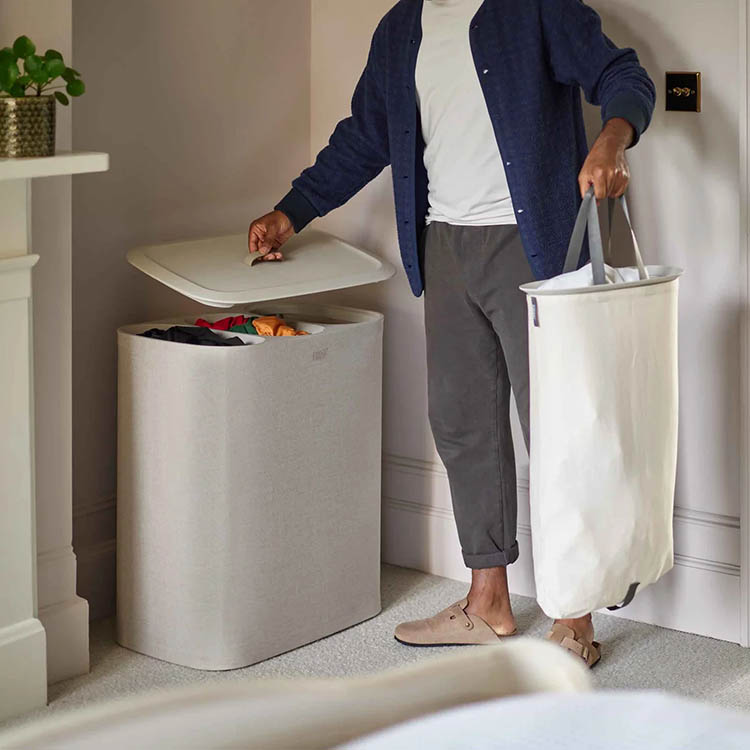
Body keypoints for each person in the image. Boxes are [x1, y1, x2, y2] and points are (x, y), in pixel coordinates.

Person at [248, 0, 655, 667]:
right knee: (463, 423)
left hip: (535, 246)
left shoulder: (533, 9)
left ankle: (574, 618)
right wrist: (292, 211)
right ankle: (487, 600)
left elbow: (623, 76)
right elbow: (365, 135)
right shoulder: (401, 28)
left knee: (556, 428)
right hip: (445, 246)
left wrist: (610, 140)